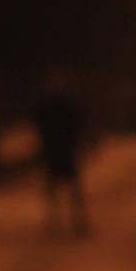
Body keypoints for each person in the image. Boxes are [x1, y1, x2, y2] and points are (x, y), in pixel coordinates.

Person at [33, 70, 89, 237]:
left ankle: (67, 221)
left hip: (59, 147)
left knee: (64, 186)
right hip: (59, 147)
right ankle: (63, 221)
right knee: (64, 186)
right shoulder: (56, 103)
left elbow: (77, 123)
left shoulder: (50, 103)